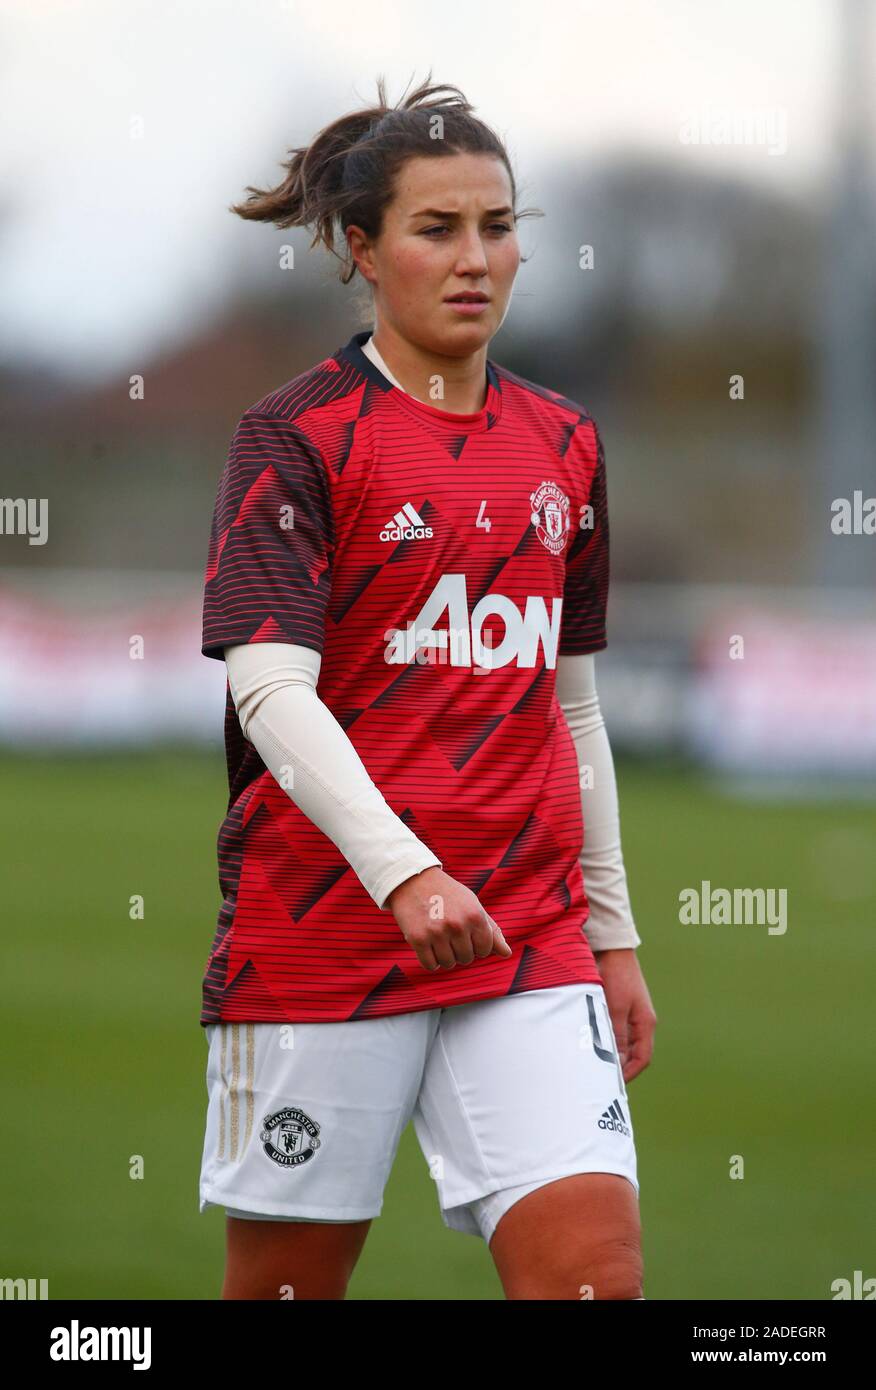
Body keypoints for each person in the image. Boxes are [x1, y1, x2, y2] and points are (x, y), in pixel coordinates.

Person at [197, 72, 657, 1300]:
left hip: (528, 938)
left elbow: (573, 706)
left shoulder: (567, 442)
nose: (476, 259)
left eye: (498, 226)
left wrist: (609, 928)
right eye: (436, 229)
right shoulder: (296, 436)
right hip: (324, 932)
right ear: (360, 248)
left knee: (597, 1277)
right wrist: (406, 871)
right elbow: (272, 694)